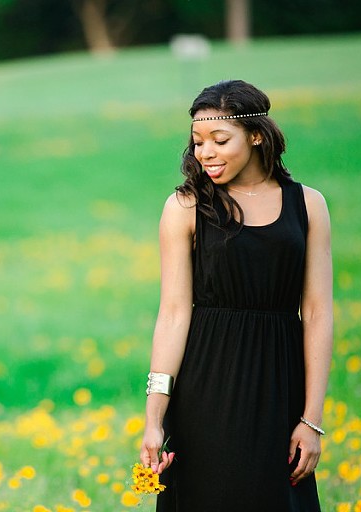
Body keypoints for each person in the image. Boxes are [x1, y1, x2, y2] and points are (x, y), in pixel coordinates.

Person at [139, 80, 333, 511]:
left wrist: (311, 420)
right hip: (204, 393)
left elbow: (318, 313)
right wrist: (154, 418)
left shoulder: (309, 205)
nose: (205, 153)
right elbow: (172, 315)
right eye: (197, 142)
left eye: (219, 140)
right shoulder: (186, 207)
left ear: (256, 135)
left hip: (280, 389)